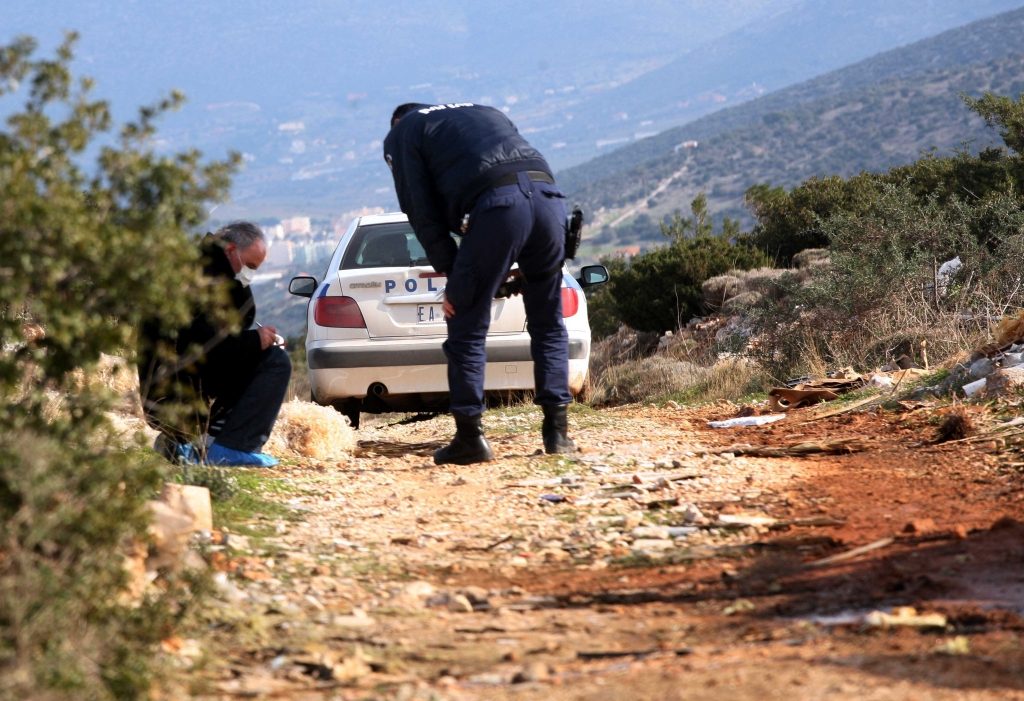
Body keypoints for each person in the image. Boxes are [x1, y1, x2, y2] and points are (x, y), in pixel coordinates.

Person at [383, 102, 576, 465]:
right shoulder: (482, 112)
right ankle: (558, 434)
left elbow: (421, 211)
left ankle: (470, 438)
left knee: (466, 325)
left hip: (498, 206)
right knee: (549, 322)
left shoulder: (403, 132)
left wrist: (453, 274)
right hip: (549, 200)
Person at [137, 222, 291, 466]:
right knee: (275, 362)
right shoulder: (200, 279)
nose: (250, 274)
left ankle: (198, 442)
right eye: (250, 265)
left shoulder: (208, 272)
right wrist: (254, 341)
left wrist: (253, 342)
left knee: (266, 356)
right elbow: (200, 343)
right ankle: (233, 446)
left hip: (170, 393)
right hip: (178, 392)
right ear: (230, 249)